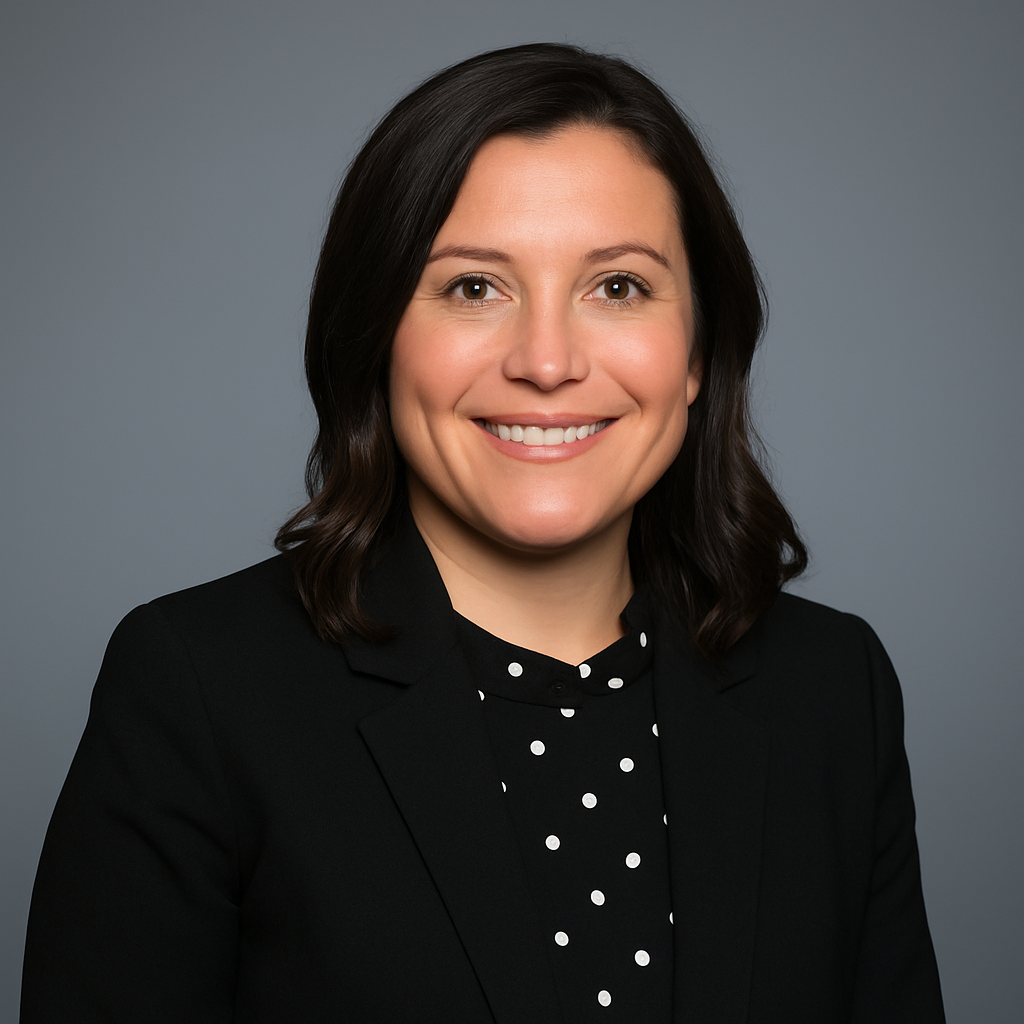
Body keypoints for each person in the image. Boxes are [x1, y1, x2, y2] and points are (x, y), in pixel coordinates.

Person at [21, 43, 945, 1023]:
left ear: (697, 354)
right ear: (376, 338)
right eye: (473, 287)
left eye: (618, 287)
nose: (546, 363)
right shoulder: (200, 691)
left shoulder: (833, 692)